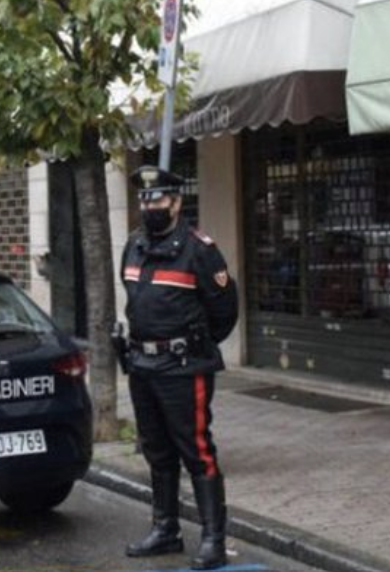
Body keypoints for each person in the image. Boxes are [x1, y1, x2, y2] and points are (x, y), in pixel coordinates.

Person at [118, 165, 239, 570]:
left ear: (176, 202)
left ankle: (213, 539)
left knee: (197, 450)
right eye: (144, 199)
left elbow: (224, 311)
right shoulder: (133, 245)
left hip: (183, 367)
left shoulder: (199, 249)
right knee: (157, 451)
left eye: (158, 199)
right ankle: (165, 530)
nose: (150, 206)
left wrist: (193, 346)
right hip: (142, 364)